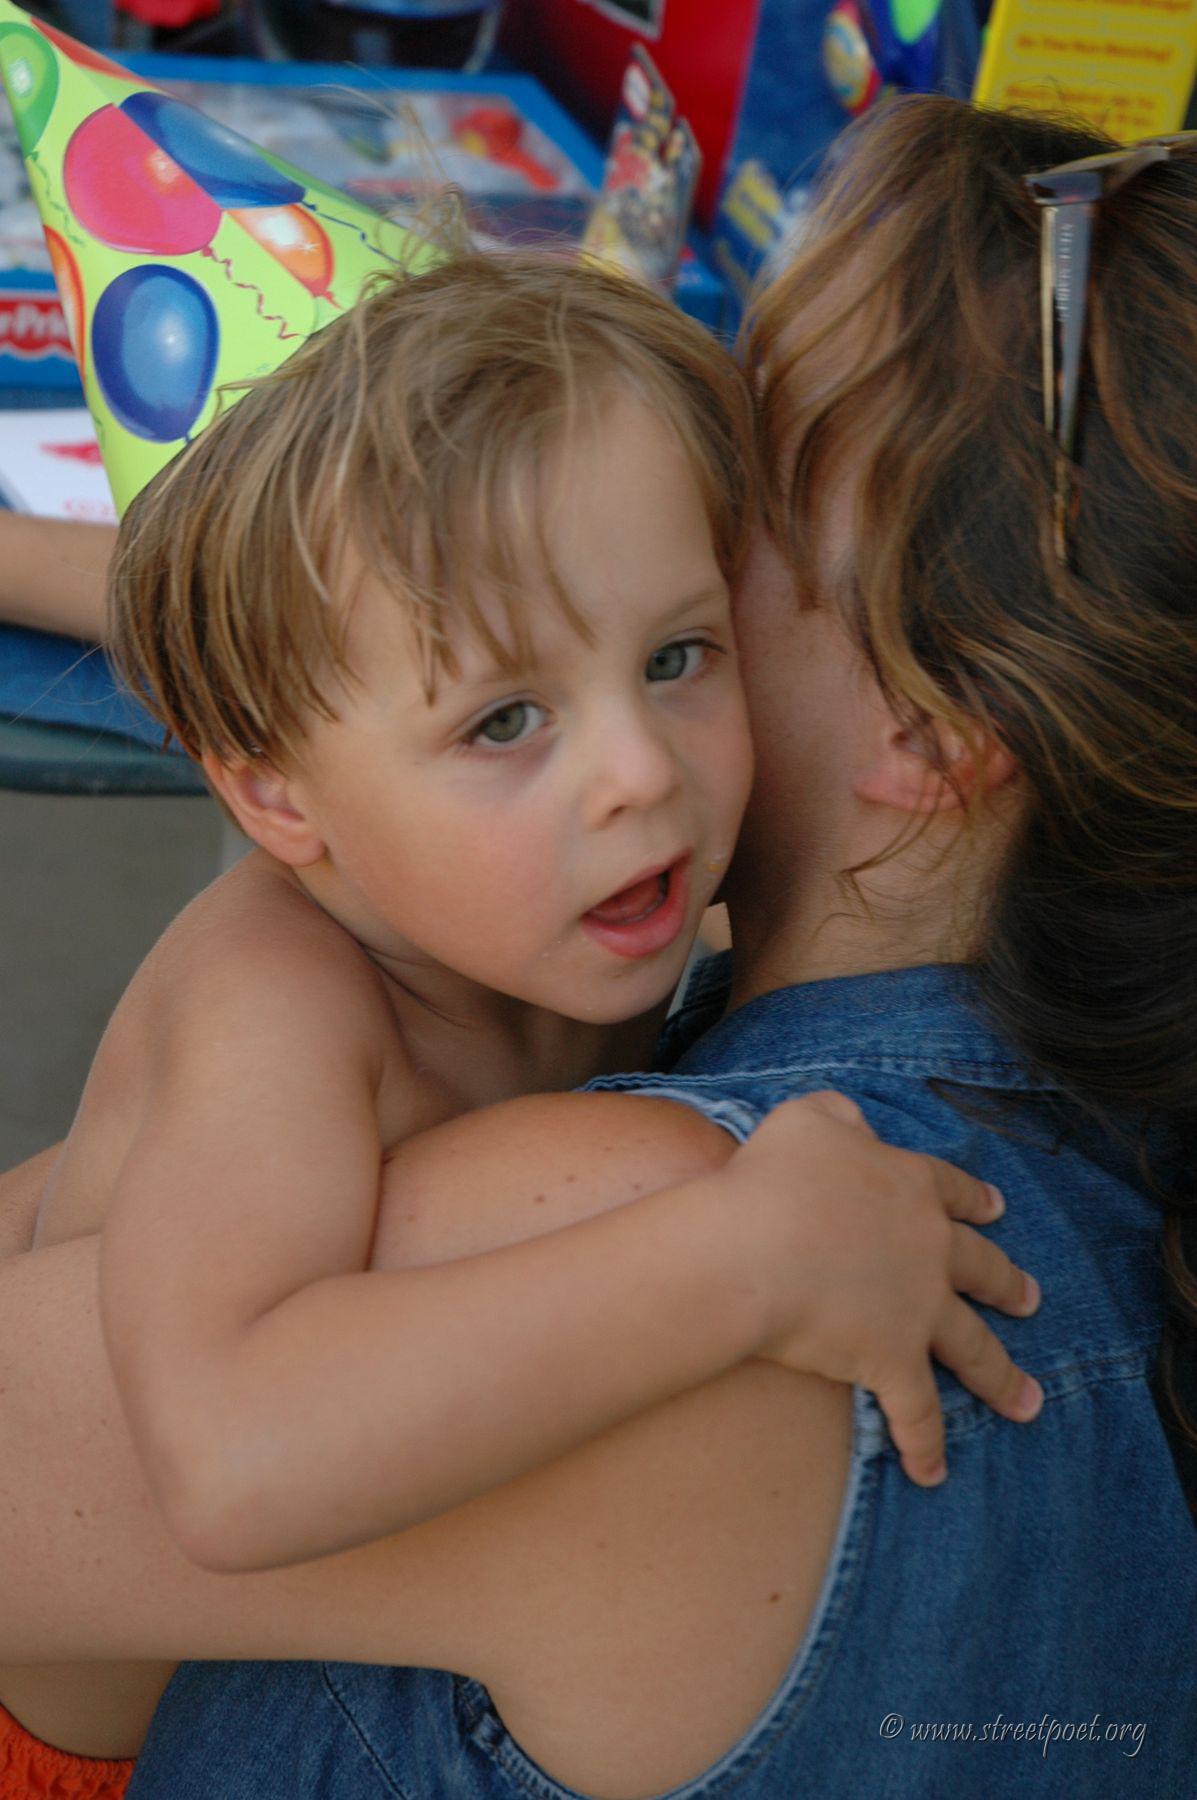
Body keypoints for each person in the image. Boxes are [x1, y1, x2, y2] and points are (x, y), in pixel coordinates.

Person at [0, 93, 1193, 1796]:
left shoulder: (632, 1187)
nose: (628, 764)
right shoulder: (1099, 1113)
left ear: (932, 724)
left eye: (747, 474)